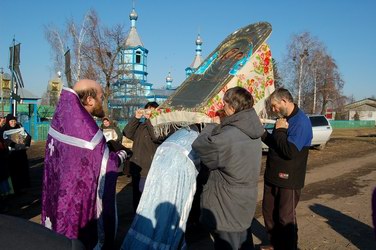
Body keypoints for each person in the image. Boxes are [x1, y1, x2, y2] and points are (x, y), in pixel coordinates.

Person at [41, 79, 130, 249]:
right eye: (101, 97)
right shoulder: (88, 131)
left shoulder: (62, 118)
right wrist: (122, 154)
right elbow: (108, 165)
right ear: (89, 99)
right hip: (77, 205)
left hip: (57, 195)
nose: (102, 101)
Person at [192, 86, 265, 250]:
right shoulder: (251, 129)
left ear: (231, 107)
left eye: (224, 104)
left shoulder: (228, 136)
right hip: (244, 199)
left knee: (227, 243)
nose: (222, 108)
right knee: (243, 240)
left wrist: (211, 126)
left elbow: (200, 146)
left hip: (226, 204)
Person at [261, 88, 312, 250]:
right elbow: (276, 144)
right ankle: (275, 243)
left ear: (284, 101)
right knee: (269, 213)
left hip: (289, 179)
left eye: (275, 106)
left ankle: (289, 247)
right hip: (272, 175)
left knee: (285, 217)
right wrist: (262, 133)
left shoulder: (301, 121)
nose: (273, 110)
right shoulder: (282, 119)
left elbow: (289, 151)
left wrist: (281, 130)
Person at [123, 101, 161, 212]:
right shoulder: (140, 126)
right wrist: (136, 118)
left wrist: (150, 120)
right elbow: (127, 133)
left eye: (152, 111)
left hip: (150, 168)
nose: (149, 113)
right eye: (147, 110)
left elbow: (156, 137)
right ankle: (137, 219)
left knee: (148, 197)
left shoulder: (161, 128)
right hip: (137, 167)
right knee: (137, 197)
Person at [1, 114, 31, 195]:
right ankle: (15, 189)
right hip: (11, 155)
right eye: (11, 121)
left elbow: (27, 136)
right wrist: (14, 145)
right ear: (8, 121)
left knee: (22, 170)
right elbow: (4, 139)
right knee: (13, 171)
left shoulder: (19, 127)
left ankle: (23, 187)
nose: (13, 123)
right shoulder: (4, 129)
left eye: (14, 121)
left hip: (21, 153)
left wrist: (26, 144)